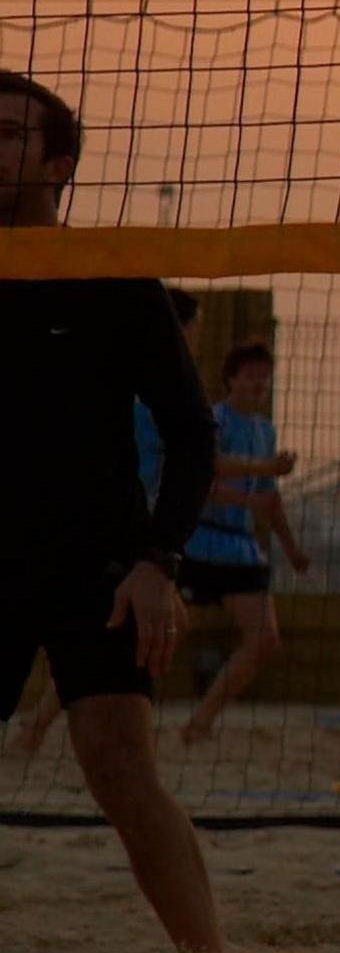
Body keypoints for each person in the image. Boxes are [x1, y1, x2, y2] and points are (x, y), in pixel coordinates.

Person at [0, 68, 231, 953]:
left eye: (12, 134)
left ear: (59, 164)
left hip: (94, 559)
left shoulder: (110, 274)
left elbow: (190, 432)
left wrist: (157, 561)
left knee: (119, 766)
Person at [15, 286, 203, 755]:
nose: (196, 339)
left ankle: (41, 727)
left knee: (126, 643)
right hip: (119, 532)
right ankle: (41, 727)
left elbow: (195, 443)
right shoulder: (132, 393)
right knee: (128, 636)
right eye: (192, 331)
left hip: (143, 536)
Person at [178, 340, 311, 743]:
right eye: (252, 376)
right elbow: (201, 483)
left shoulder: (264, 431)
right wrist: (250, 498)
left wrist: (292, 550)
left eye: (264, 378)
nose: (259, 384)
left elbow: (269, 497)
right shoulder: (213, 420)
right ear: (231, 379)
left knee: (265, 641)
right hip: (198, 544)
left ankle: (201, 722)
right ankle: (59, 715)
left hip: (238, 550)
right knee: (159, 636)